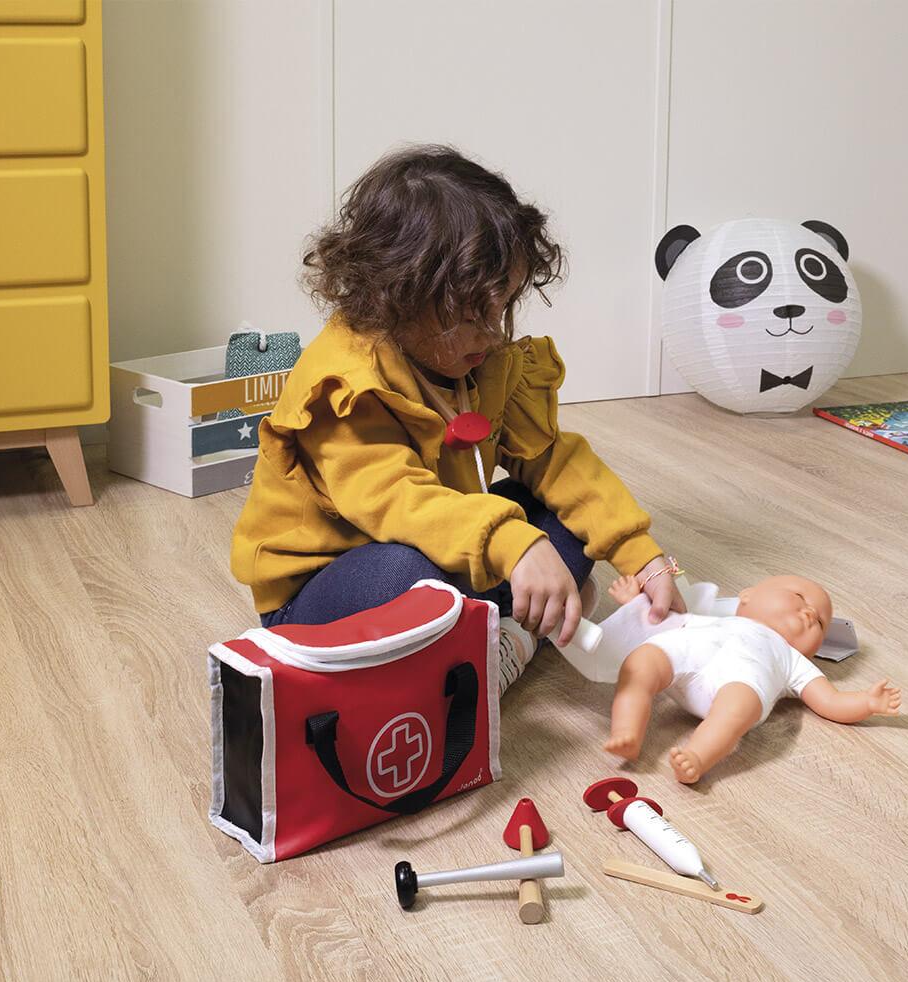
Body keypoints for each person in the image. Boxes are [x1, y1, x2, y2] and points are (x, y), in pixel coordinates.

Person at [231, 145, 683, 691]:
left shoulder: (482, 356)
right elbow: (401, 500)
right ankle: (512, 626)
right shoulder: (343, 387)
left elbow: (554, 460)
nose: (493, 332)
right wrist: (514, 545)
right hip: (328, 586)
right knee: (408, 575)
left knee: (565, 517)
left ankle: (502, 634)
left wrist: (643, 556)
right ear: (397, 295)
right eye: (471, 316)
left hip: (449, 541)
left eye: (504, 305)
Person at [602, 573, 901, 781]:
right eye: (798, 596)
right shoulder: (711, 620)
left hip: (737, 684)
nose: (810, 611)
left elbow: (830, 700)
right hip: (684, 655)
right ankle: (627, 731)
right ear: (747, 596)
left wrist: (866, 702)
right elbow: (660, 619)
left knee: (737, 708)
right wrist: (635, 603)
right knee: (641, 662)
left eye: (821, 623)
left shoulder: (792, 660)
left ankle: (697, 756)